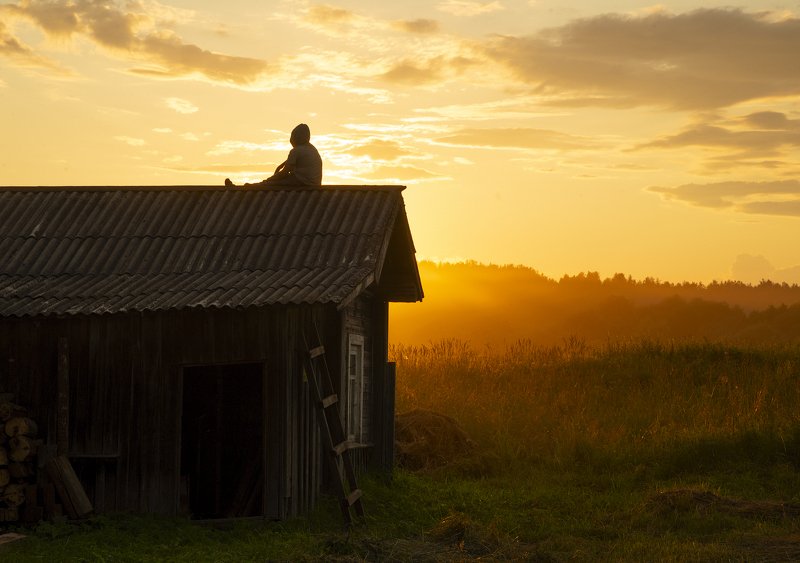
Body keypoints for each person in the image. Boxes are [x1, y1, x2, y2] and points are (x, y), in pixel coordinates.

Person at [225, 123, 322, 187]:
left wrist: (269, 180)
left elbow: (284, 172)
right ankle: (247, 186)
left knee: (270, 184)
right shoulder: (311, 149)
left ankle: (245, 187)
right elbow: (289, 167)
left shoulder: (297, 151)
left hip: (303, 182)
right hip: (313, 182)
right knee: (272, 182)